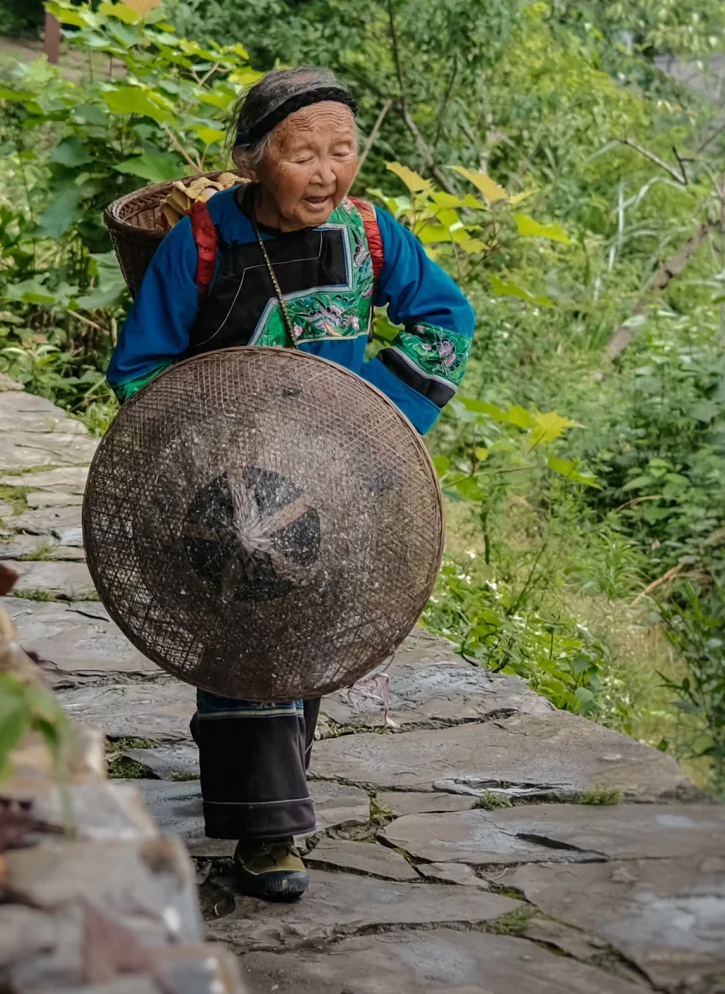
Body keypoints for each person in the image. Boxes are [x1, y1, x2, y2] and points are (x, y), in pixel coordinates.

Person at [107, 66, 475, 900]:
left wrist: (375, 422)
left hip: (335, 480)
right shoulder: (198, 243)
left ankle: (271, 797)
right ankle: (270, 830)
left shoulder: (372, 235)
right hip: (225, 482)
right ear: (250, 162)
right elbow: (139, 365)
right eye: (302, 152)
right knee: (245, 640)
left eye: (341, 150)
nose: (326, 171)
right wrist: (190, 447)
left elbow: (447, 320)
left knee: (302, 640)